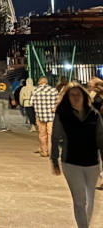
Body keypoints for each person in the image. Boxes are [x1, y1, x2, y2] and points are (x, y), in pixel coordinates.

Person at [50, 82, 103, 228]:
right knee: (80, 200)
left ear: (84, 96)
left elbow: (101, 139)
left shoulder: (94, 115)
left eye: (78, 94)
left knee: (90, 197)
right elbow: (55, 138)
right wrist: (54, 159)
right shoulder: (63, 115)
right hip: (71, 162)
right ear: (67, 98)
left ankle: (84, 224)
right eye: (72, 95)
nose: (75, 98)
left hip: (92, 162)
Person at [31, 77, 59, 157]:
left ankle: (44, 151)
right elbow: (58, 102)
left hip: (40, 116)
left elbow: (31, 103)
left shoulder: (35, 90)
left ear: (39, 82)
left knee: (42, 134)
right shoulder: (53, 90)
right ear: (46, 82)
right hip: (51, 115)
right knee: (51, 134)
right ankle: (51, 152)